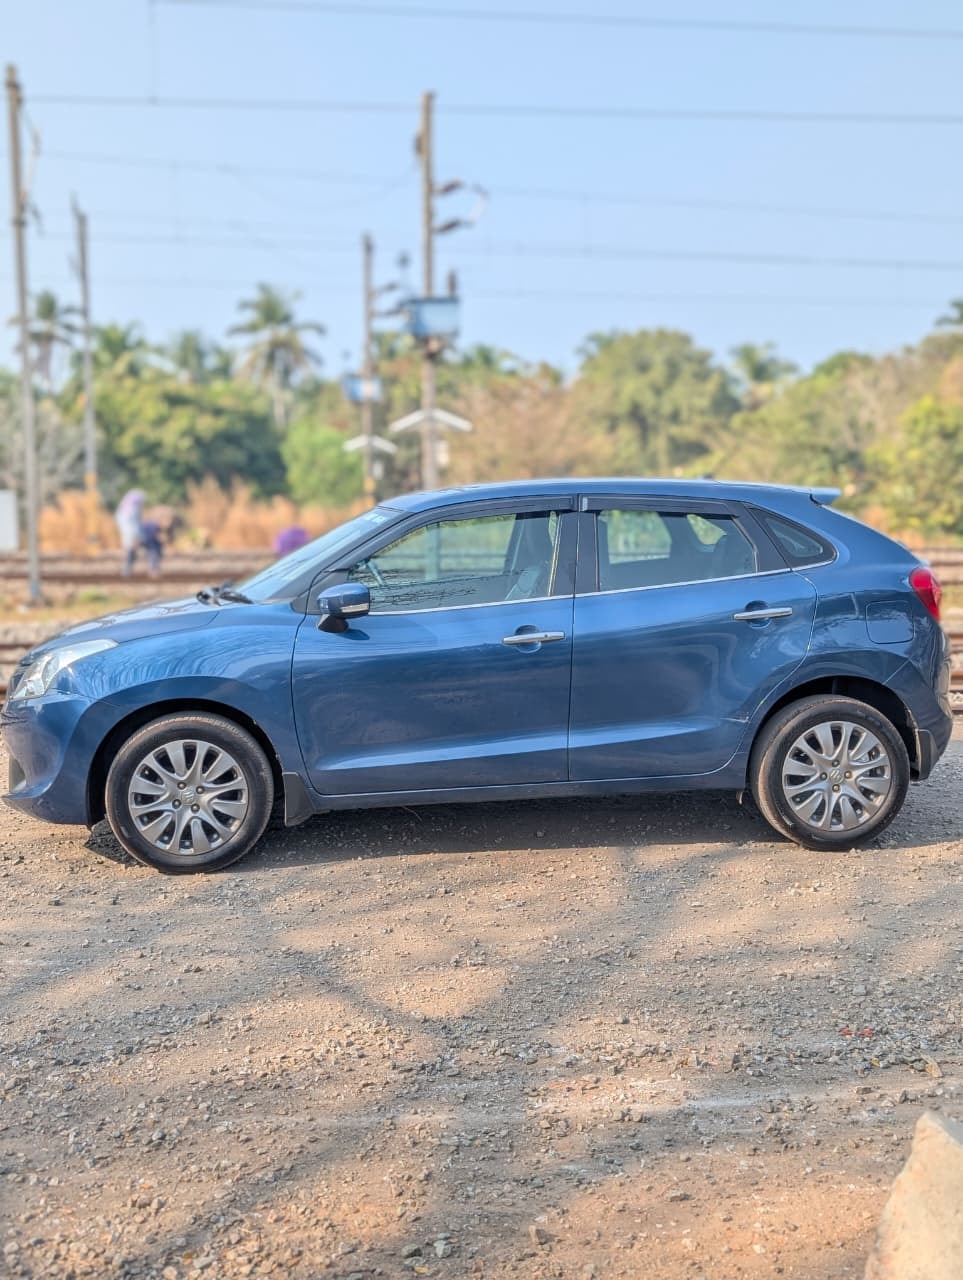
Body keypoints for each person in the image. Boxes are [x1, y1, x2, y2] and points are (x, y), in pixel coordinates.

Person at [115, 490, 146, 577]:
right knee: (131, 553)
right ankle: (127, 570)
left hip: (129, 537)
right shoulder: (132, 511)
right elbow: (135, 526)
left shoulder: (122, 511)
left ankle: (128, 570)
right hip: (132, 537)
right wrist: (137, 536)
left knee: (130, 552)